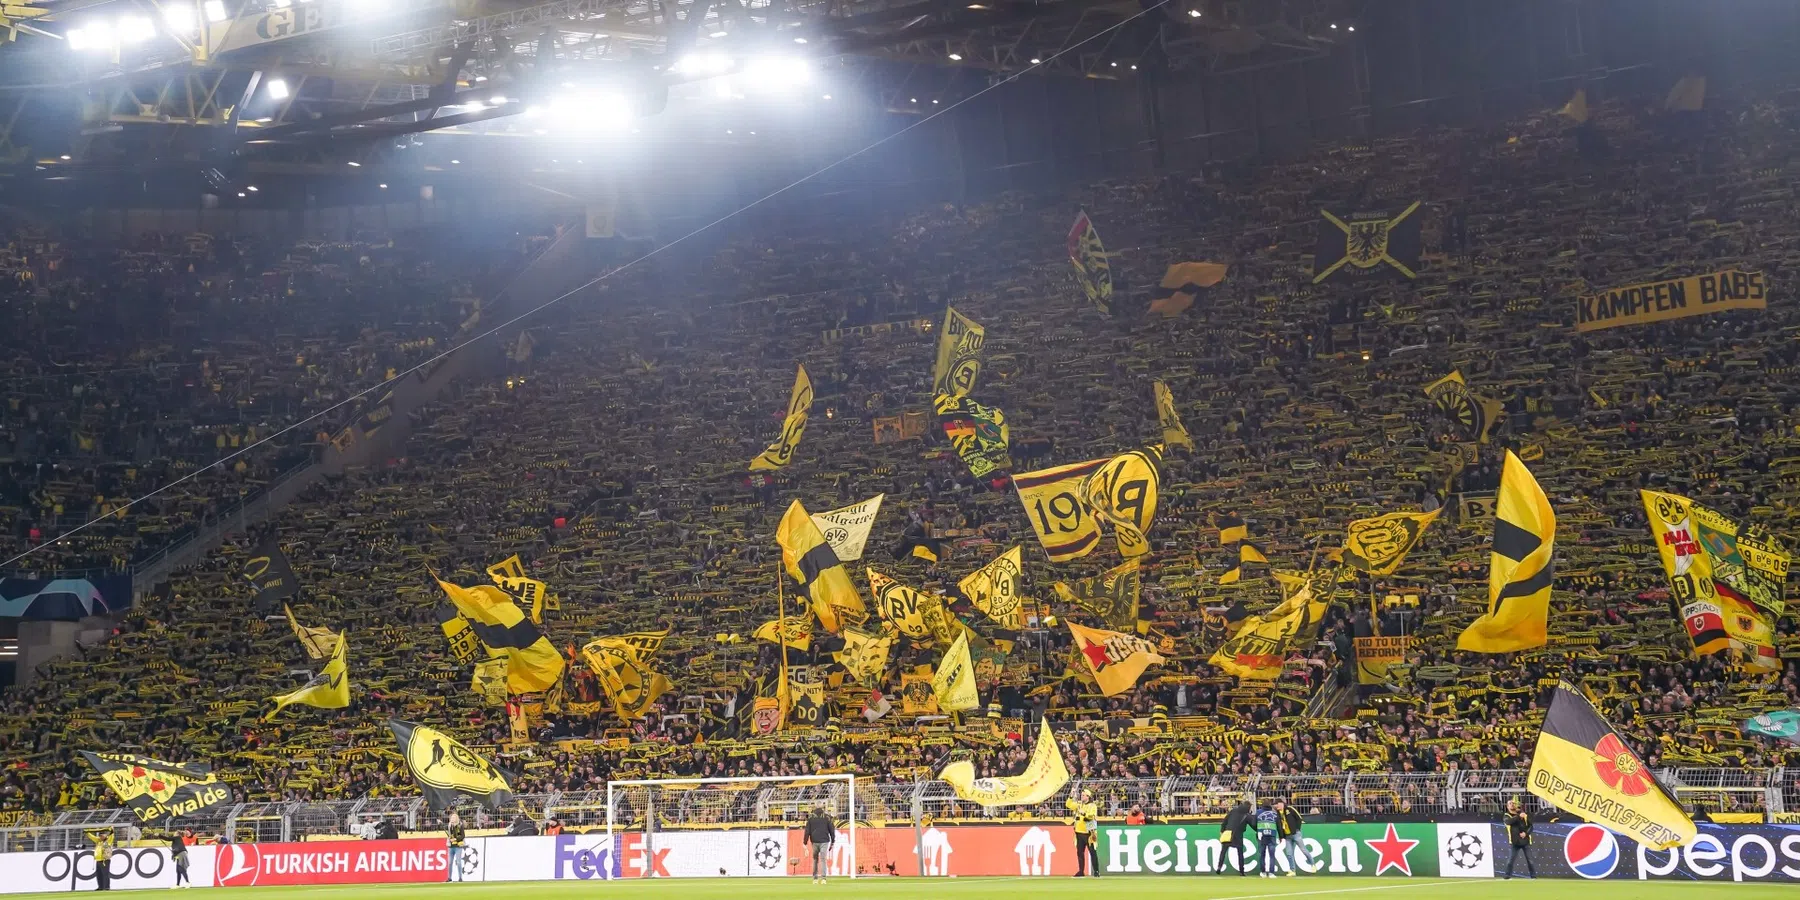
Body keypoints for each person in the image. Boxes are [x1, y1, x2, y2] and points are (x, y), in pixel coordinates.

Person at [1065, 789, 1099, 877]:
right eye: (1082, 795)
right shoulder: (1079, 804)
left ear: (1088, 797)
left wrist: (1083, 813)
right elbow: (1068, 804)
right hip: (1079, 832)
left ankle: (1096, 871)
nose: (1082, 796)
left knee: (1092, 852)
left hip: (1089, 833)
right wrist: (1071, 796)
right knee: (1080, 852)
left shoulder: (1092, 806)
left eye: (1084, 795)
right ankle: (1081, 871)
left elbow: (1091, 816)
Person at [1219, 797, 1253, 876]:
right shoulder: (1246, 815)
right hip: (1238, 835)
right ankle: (1241, 871)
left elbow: (1225, 821)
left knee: (1223, 851)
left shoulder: (1233, 811)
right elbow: (1253, 824)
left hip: (1228, 833)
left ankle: (1219, 867)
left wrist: (1222, 831)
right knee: (1240, 853)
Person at [1275, 800, 1310, 876]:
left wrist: (1297, 829)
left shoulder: (1290, 809)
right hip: (1287, 836)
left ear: (1281, 804)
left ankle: (1312, 863)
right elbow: (1279, 826)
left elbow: (1299, 818)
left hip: (1295, 834)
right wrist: (1281, 836)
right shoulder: (1278, 813)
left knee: (1303, 849)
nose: (1276, 806)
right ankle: (1292, 870)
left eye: (1277, 804)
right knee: (1289, 854)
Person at [1502, 799, 1535, 879]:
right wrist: (1518, 816)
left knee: (1530, 860)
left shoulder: (1524, 815)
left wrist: (1526, 833)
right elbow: (1509, 822)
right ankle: (1507, 876)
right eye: (1510, 803)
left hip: (1525, 841)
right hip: (1514, 842)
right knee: (1510, 860)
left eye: (1513, 803)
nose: (1512, 804)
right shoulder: (1507, 816)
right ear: (1507, 806)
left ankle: (1533, 876)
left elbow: (1531, 826)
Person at [803, 806, 835, 884]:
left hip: (814, 841)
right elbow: (832, 830)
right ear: (823, 808)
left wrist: (805, 842)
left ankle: (815, 878)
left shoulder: (810, 818)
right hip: (824, 841)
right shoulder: (827, 817)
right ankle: (823, 878)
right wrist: (833, 841)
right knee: (823, 859)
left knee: (815, 860)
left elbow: (807, 831)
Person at [1253, 800, 1280, 877]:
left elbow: (1254, 823)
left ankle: (1263, 872)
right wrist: (1281, 836)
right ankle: (1271, 873)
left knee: (1262, 854)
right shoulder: (1274, 813)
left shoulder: (1258, 812)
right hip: (1272, 835)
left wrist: (1258, 830)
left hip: (1261, 835)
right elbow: (1279, 825)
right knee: (1272, 855)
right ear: (1270, 805)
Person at [445, 811, 466, 883]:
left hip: (458, 846)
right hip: (451, 846)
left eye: (454, 818)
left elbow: (463, 836)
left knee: (458, 862)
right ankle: (449, 877)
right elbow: (449, 834)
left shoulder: (460, 825)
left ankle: (460, 877)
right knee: (450, 862)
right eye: (451, 818)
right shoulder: (449, 826)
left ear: (456, 818)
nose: (452, 819)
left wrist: (456, 839)